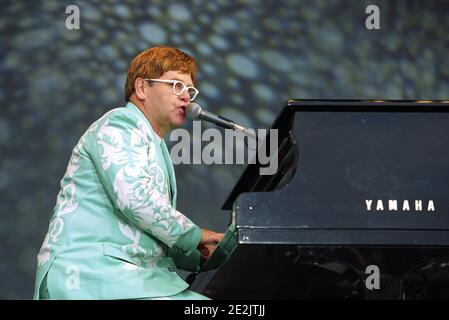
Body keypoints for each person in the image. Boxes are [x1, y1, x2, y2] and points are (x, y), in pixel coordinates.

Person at [34, 46, 224, 300]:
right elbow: (135, 199)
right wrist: (194, 235)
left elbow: (142, 230)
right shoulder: (120, 124)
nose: (186, 97)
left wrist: (197, 252)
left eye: (189, 90)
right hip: (88, 273)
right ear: (142, 88)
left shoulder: (150, 141)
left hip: (119, 277)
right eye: (176, 86)